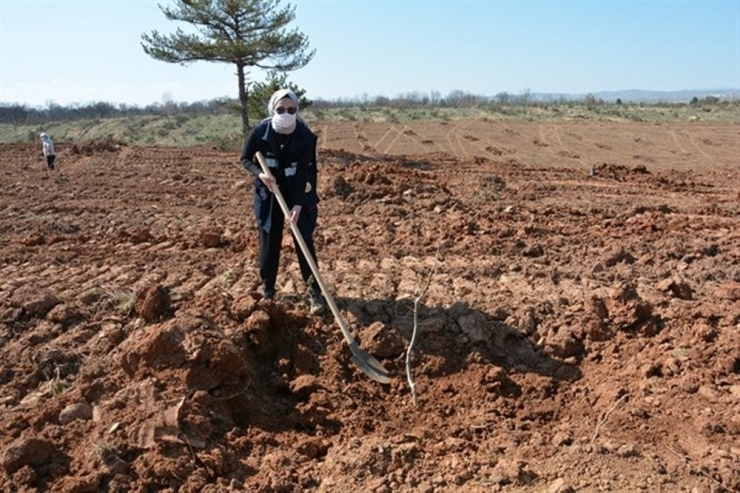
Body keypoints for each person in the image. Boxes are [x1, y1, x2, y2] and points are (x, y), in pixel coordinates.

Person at [240, 89, 325, 315]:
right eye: (280, 109)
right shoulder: (259, 132)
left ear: (297, 110)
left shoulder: (306, 137)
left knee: (303, 238)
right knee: (269, 239)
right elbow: (245, 159)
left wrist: (298, 203)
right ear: (272, 110)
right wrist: (260, 174)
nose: (286, 114)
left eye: (291, 110)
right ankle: (268, 289)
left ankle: (314, 292)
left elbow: (307, 173)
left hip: (297, 192)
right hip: (269, 193)